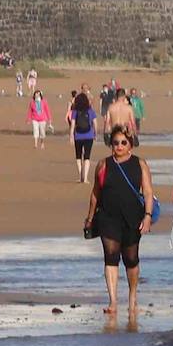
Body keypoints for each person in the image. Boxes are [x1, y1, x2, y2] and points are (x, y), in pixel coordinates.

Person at [86, 125, 154, 315]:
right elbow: (95, 194)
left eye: (123, 142)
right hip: (108, 218)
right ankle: (113, 301)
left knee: (131, 259)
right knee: (111, 256)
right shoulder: (103, 164)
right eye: (115, 143)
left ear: (130, 145)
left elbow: (148, 192)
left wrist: (147, 216)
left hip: (133, 218)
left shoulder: (140, 164)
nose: (119, 146)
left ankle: (132, 297)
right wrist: (90, 217)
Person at [69, 91, 98, 182]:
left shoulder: (75, 111)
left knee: (78, 156)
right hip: (89, 135)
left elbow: (73, 125)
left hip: (78, 136)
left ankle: (80, 176)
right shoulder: (90, 111)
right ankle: (85, 178)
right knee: (87, 157)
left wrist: (71, 136)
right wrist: (95, 134)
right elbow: (95, 124)